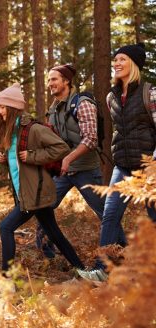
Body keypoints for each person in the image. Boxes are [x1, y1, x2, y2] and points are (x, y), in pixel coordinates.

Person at [79, 43, 156, 281]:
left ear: (133, 64)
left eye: (122, 59)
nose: (116, 64)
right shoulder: (111, 96)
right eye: (115, 60)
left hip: (148, 168)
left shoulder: (149, 93)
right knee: (110, 215)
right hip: (121, 167)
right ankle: (101, 270)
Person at [36, 63, 126, 258]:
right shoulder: (52, 110)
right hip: (62, 172)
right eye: (49, 79)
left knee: (105, 215)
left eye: (54, 79)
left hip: (86, 170)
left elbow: (91, 139)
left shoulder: (83, 103)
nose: (50, 83)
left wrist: (68, 158)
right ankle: (47, 257)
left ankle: (123, 252)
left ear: (66, 81)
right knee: (43, 206)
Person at [0, 83, 85, 272]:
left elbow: (61, 147)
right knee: (54, 233)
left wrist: (33, 156)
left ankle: (5, 282)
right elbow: (17, 162)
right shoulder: (12, 131)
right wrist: (4, 159)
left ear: (12, 108)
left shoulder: (33, 129)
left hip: (35, 193)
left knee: (5, 227)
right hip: (27, 191)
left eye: (2, 107)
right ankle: (83, 270)